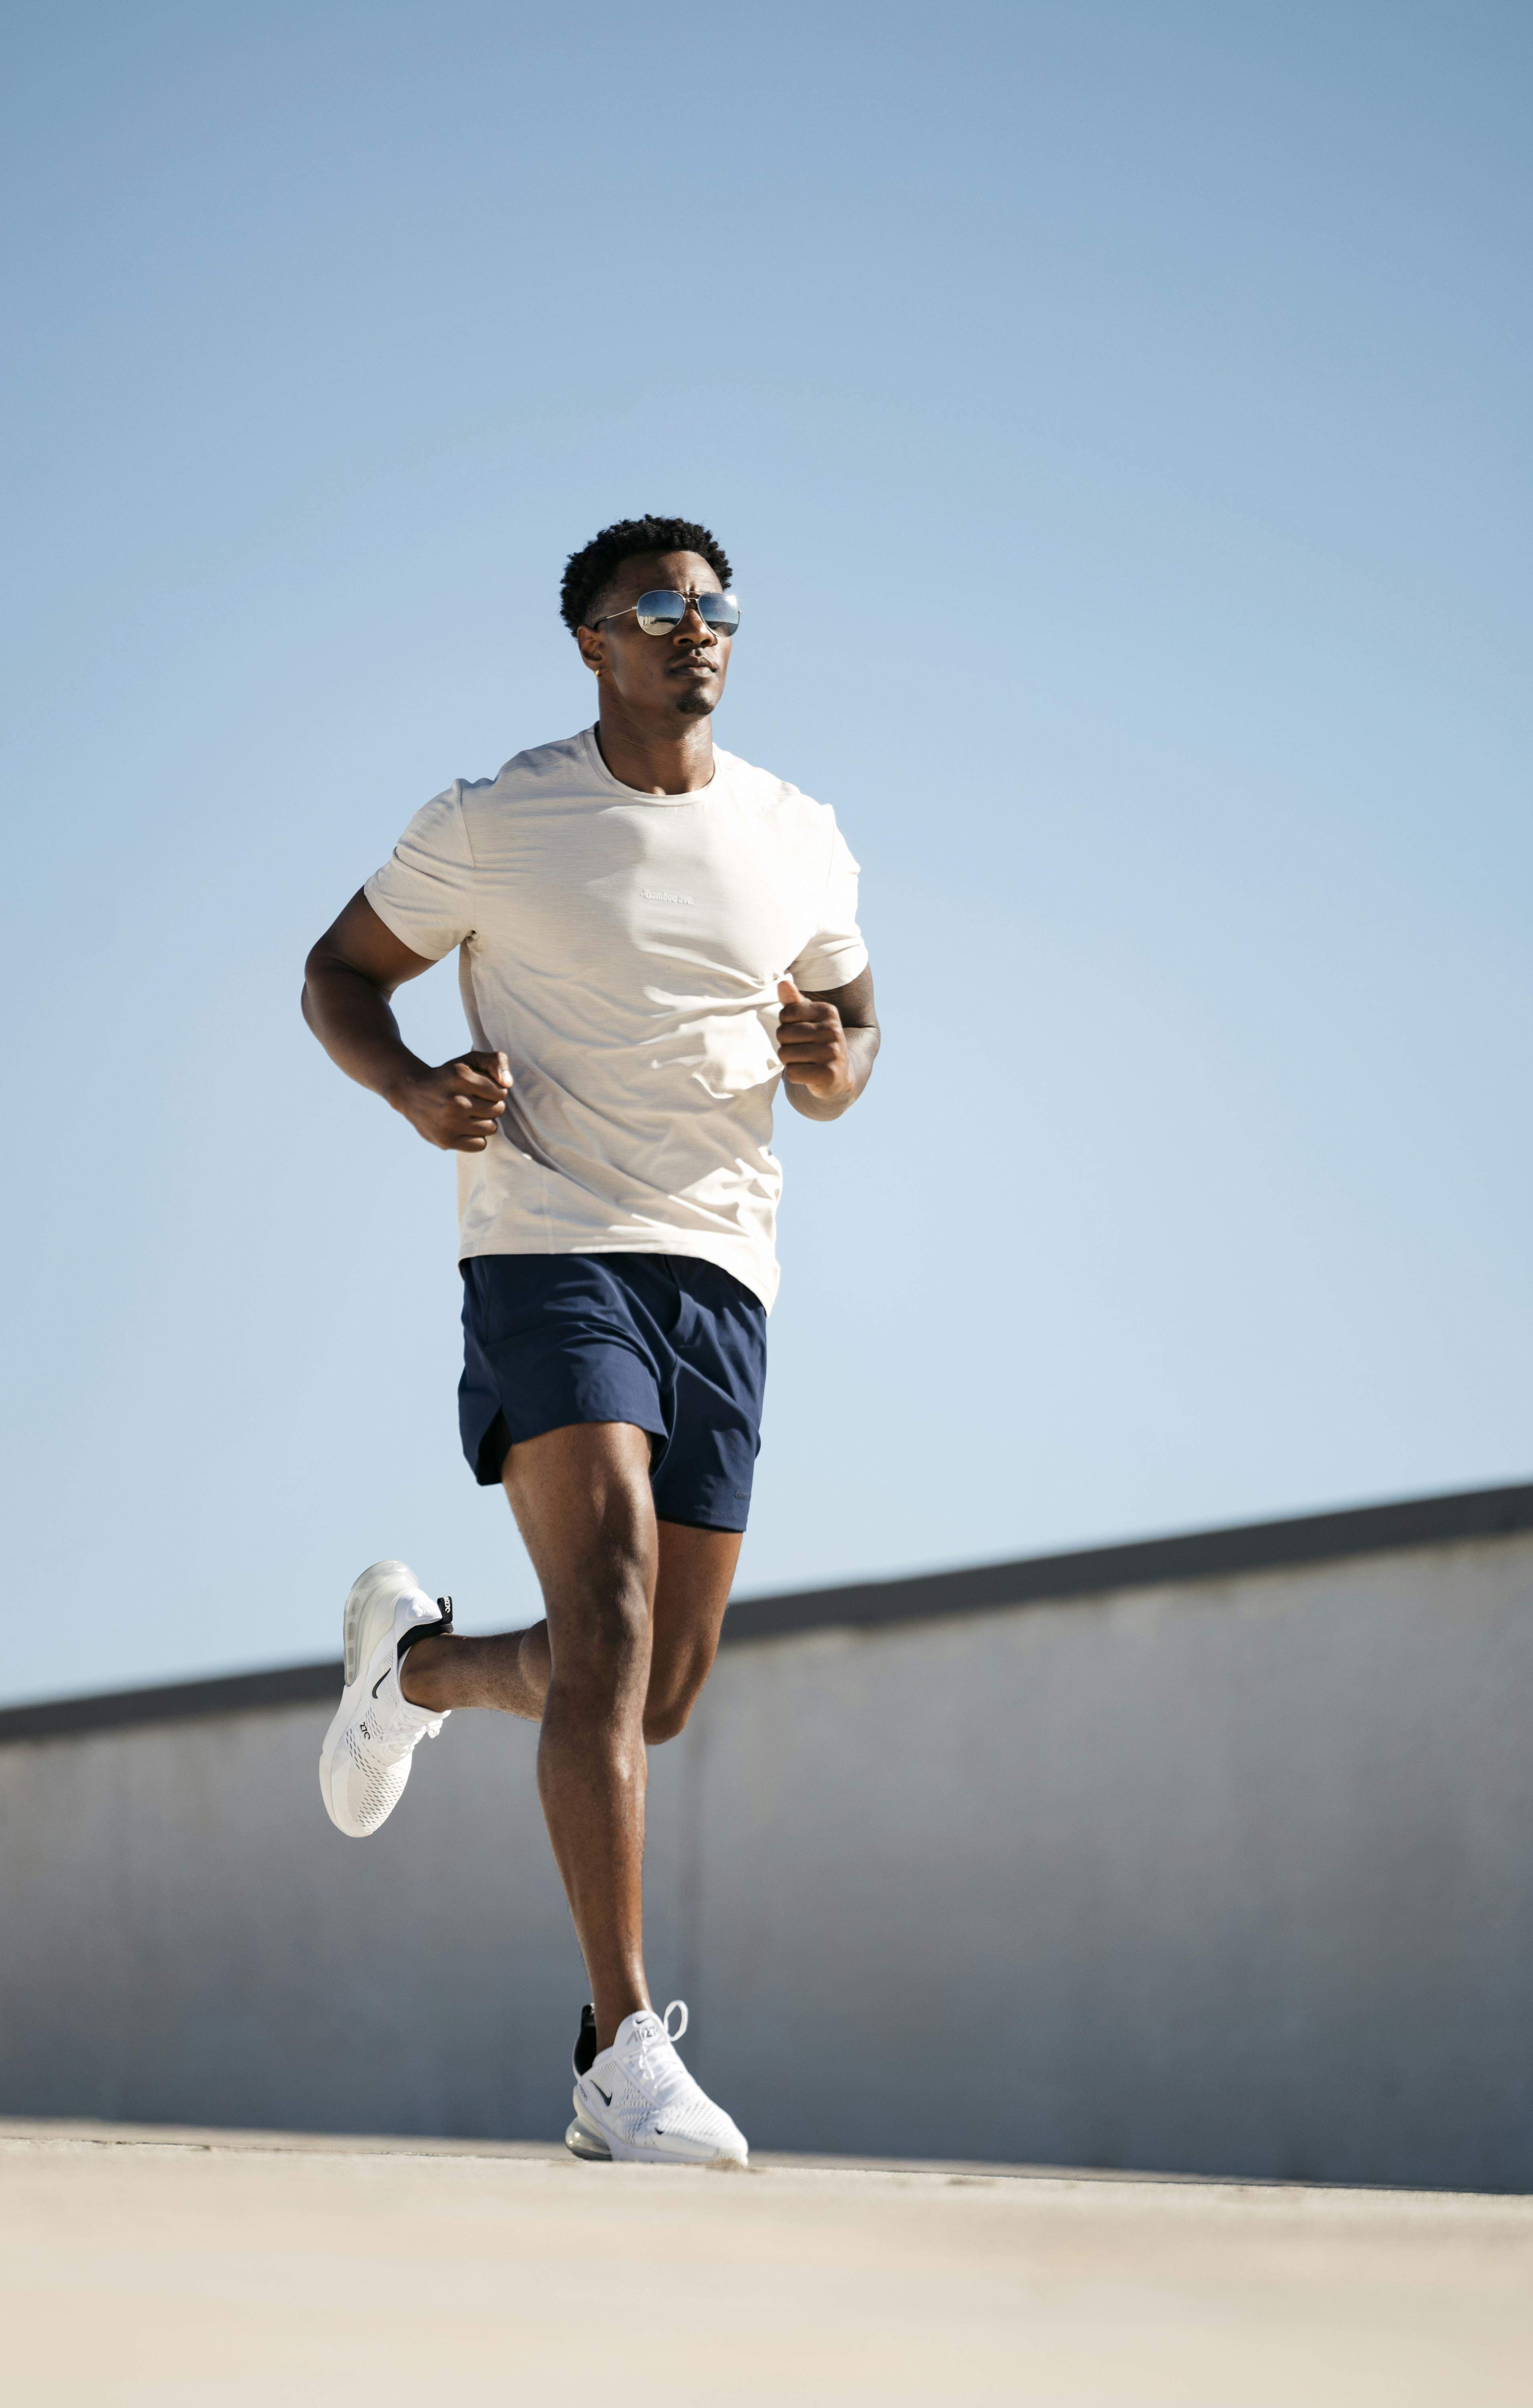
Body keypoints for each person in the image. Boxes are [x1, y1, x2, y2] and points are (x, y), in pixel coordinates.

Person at [301, 515, 878, 2167]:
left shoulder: (800, 837)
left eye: (714, 603)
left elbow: (854, 1040)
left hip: (724, 1269)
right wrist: (418, 1090)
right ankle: (619, 2052)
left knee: (653, 1690)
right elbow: (339, 972)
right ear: (590, 644)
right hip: (549, 1245)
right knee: (609, 1592)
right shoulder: (497, 821)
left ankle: (410, 1674)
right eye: (655, 605)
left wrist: (826, 1054)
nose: (694, 626)